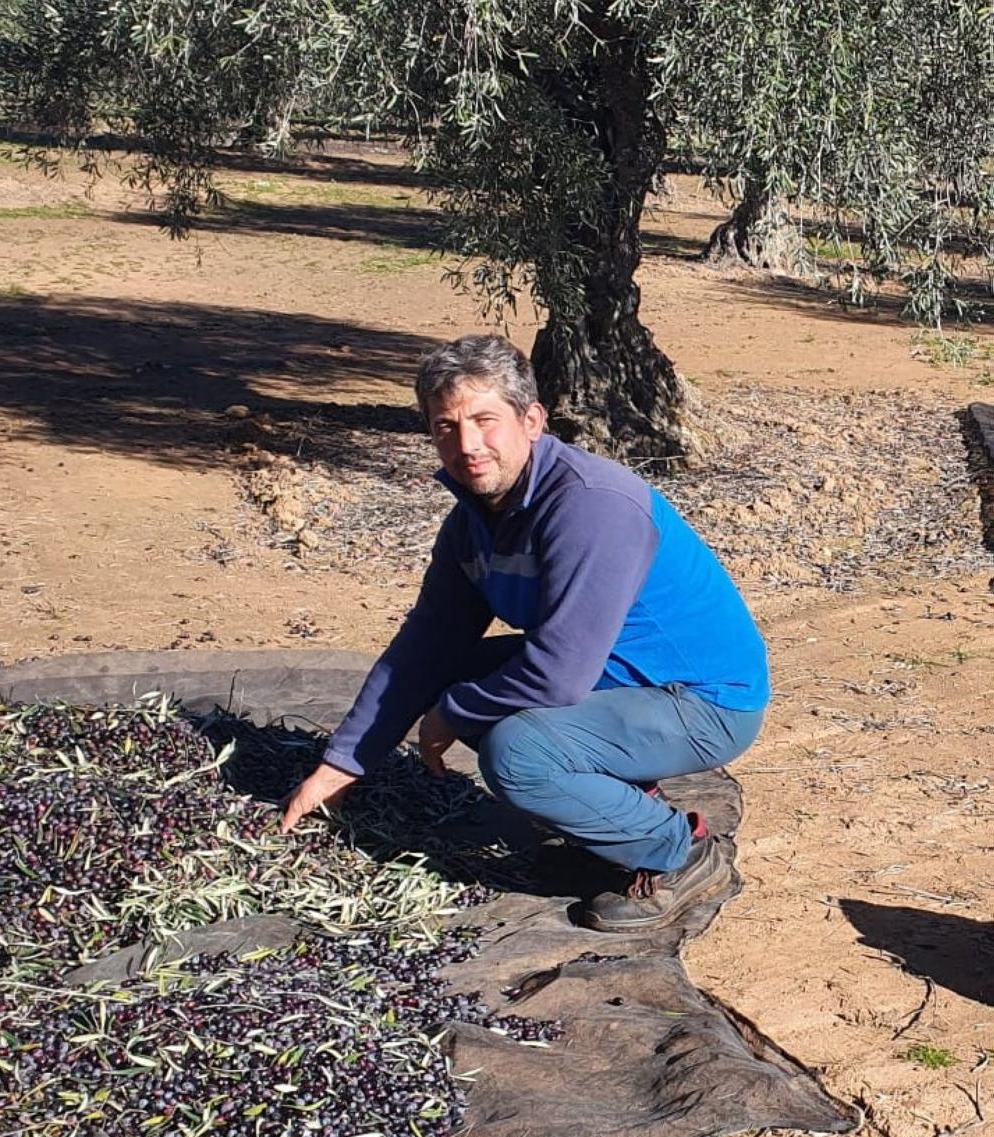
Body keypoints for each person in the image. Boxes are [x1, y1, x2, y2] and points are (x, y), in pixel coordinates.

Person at [281, 334, 769, 933]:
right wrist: (343, 764)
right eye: (445, 426)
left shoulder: (591, 506)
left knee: (517, 753)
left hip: (702, 700)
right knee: (459, 675)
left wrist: (449, 716)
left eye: (485, 420)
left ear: (532, 420)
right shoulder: (474, 522)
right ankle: (622, 818)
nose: (467, 445)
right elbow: (429, 642)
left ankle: (681, 853)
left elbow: (559, 671)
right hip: (618, 678)